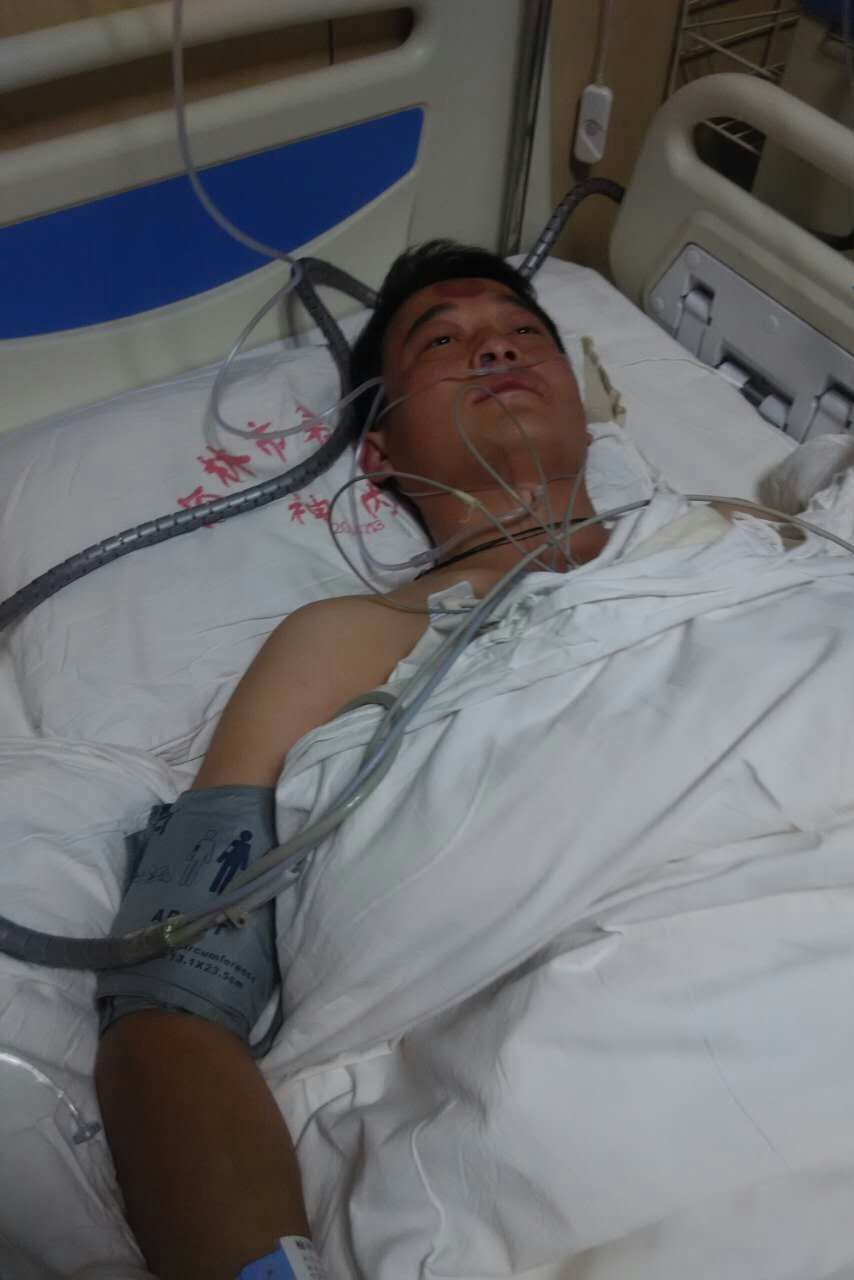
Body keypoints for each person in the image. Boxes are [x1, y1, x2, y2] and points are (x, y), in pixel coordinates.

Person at [94, 241, 613, 1280]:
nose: (497, 348)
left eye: (523, 330)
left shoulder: (748, 543)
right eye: (443, 342)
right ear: (378, 452)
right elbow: (171, 1005)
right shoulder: (348, 642)